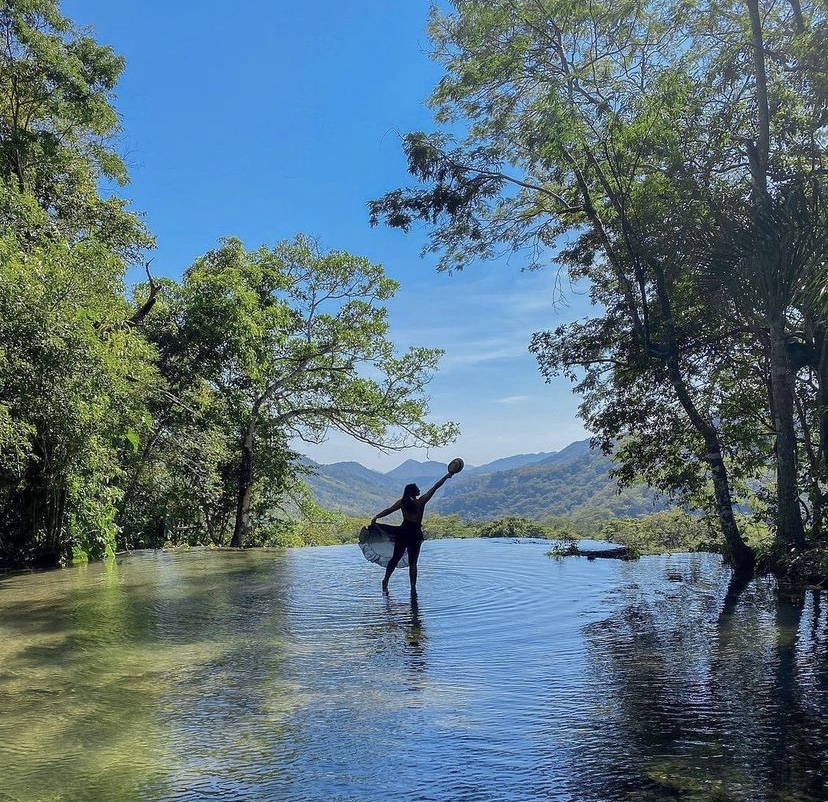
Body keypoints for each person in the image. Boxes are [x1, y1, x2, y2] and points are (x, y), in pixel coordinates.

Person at [371, 471, 454, 596]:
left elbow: (389, 510)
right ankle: (413, 588)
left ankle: (386, 580)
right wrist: (447, 476)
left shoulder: (402, 502)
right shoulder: (421, 502)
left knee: (395, 558)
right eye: (417, 489)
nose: (419, 490)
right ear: (413, 492)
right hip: (415, 533)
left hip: (403, 532)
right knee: (413, 562)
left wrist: (376, 517)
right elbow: (436, 487)